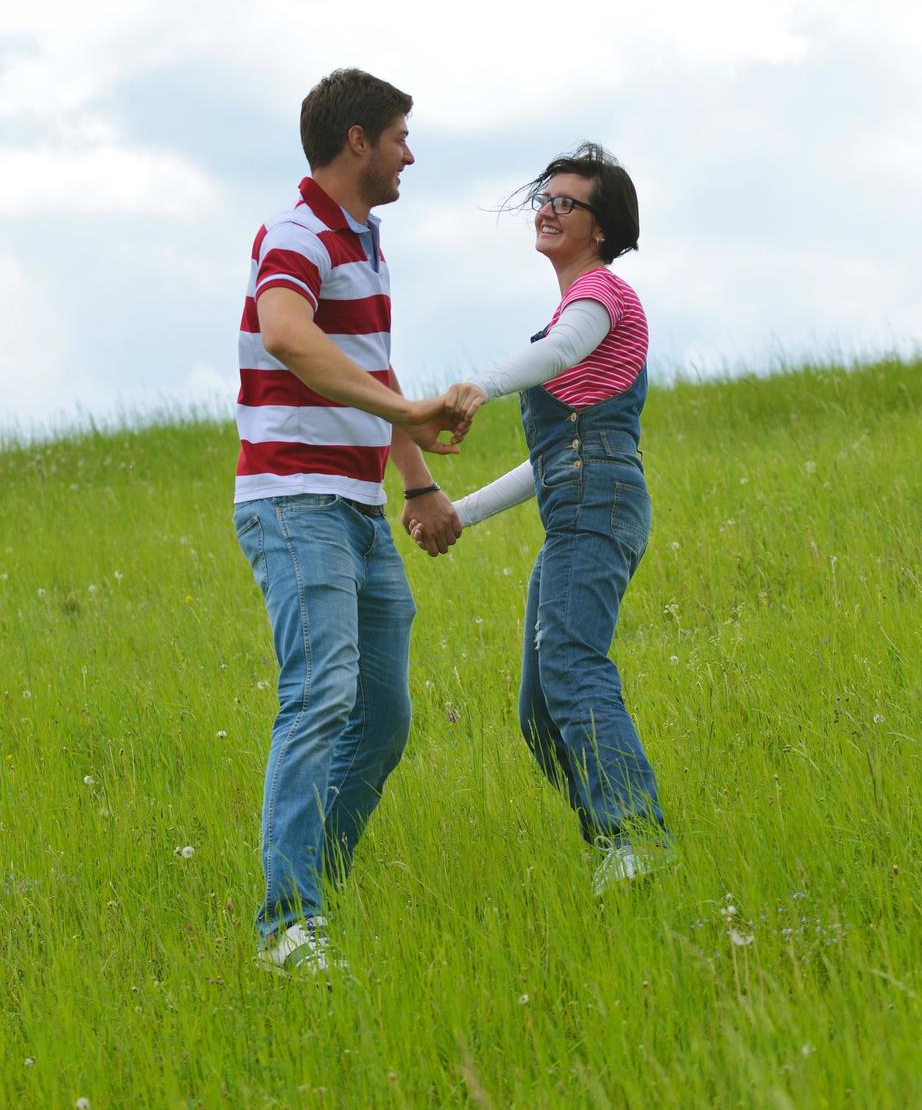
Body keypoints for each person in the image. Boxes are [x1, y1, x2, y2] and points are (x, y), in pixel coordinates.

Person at [233, 68, 468, 972]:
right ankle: (288, 925)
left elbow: (370, 370)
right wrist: (408, 418)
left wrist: (415, 485)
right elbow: (288, 335)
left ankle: (313, 891)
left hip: (359, 507)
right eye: (402, 134)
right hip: (294, 504)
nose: (412, 151)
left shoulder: (362, 241)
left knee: (382, 717)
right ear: (358, 140)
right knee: (321, 698)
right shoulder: (295, 234)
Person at [432, 142, 672, 893]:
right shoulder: (572, 312)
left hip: (598, 501)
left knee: (572, 668)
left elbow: (561, 353)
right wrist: (460, 513)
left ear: (600, 227)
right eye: (545, 196)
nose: (547, 208)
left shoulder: (602, 296)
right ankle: (613, 846)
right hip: (574, 505)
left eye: (566, 201)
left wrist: (479, 384)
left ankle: (639, 839)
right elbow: (552, 458)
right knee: (539, 709)